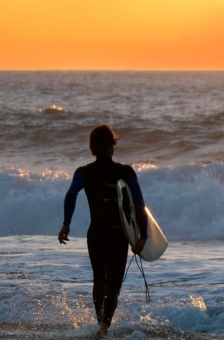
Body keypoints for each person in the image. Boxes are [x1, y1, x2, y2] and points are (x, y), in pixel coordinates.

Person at [58, 124, 147, 338]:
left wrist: (66, 223)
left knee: (99, 280)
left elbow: (71, 195)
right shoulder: (125, 172)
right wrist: (142, 235)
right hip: (118, 235)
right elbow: (139, 202)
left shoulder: (84, 172)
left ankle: (101, 325)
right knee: (114, 285)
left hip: (96, 234)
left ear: (93, 148)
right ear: (111, 146)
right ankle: (105, 327)